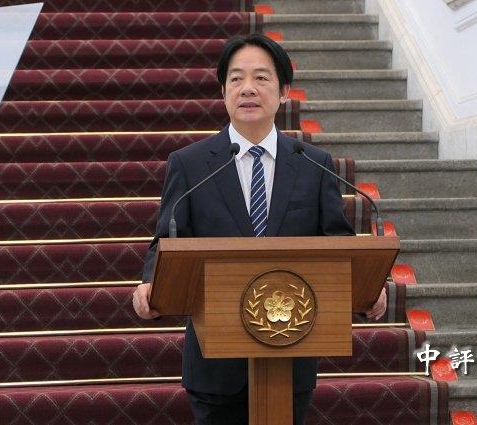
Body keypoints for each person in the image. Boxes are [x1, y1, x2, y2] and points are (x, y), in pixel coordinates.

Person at [133, 33, 387, 425]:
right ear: (223, 92)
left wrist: (365, 287)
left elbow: (336, 242)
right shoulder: (191, 164)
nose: (248, 88)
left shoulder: (313, 163)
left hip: (291, 352)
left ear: (283, 91)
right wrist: (151, 283)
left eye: (261, 78)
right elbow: (168, 238)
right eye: (236, 79)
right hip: (215, 363)